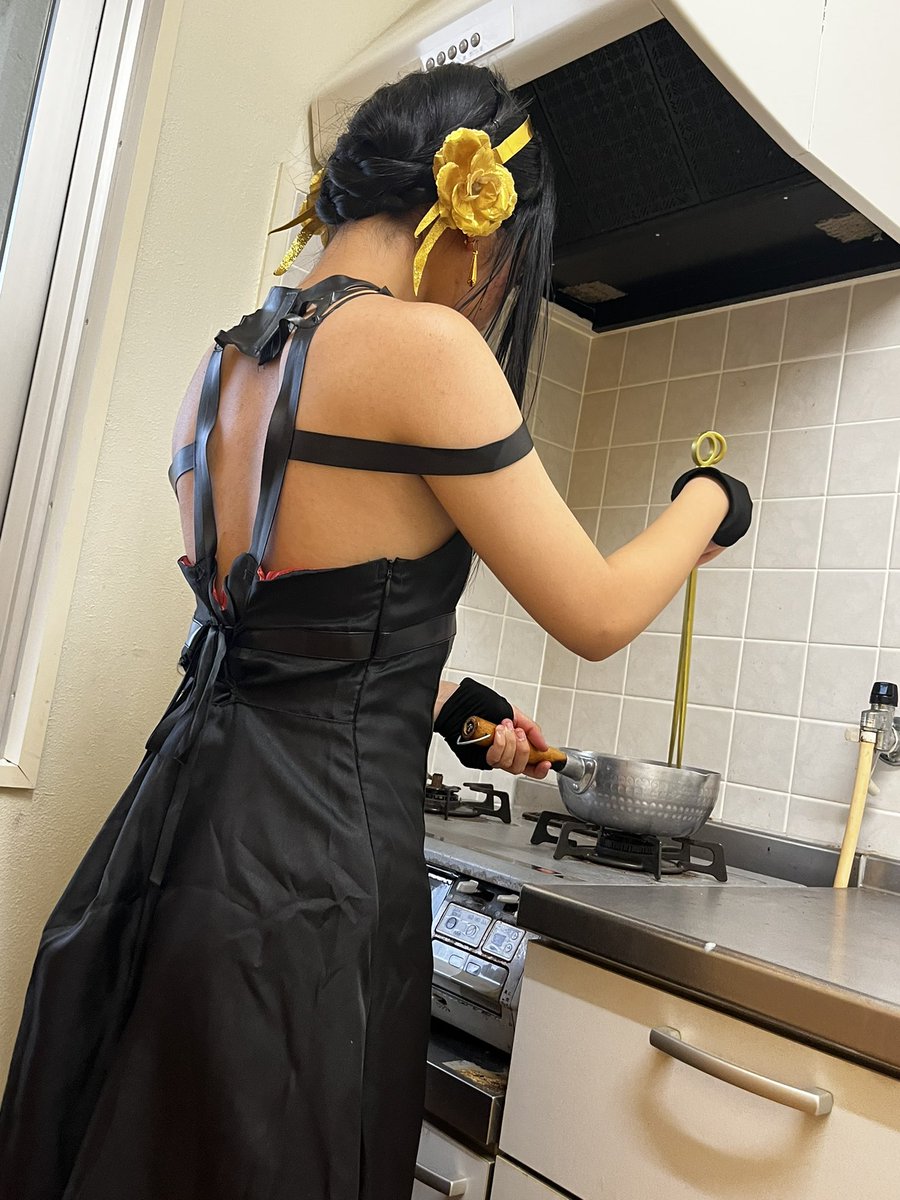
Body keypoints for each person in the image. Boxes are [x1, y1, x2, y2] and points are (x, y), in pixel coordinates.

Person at [0, 62, 751, 1200]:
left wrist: (441, 704)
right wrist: (711, 502)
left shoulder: (221, 365)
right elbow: (596, 613)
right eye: (508, 265)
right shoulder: (425, 348)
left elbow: (271, 635)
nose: (491, 292)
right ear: (471, 223)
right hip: (307, 877)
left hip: (170, 845)